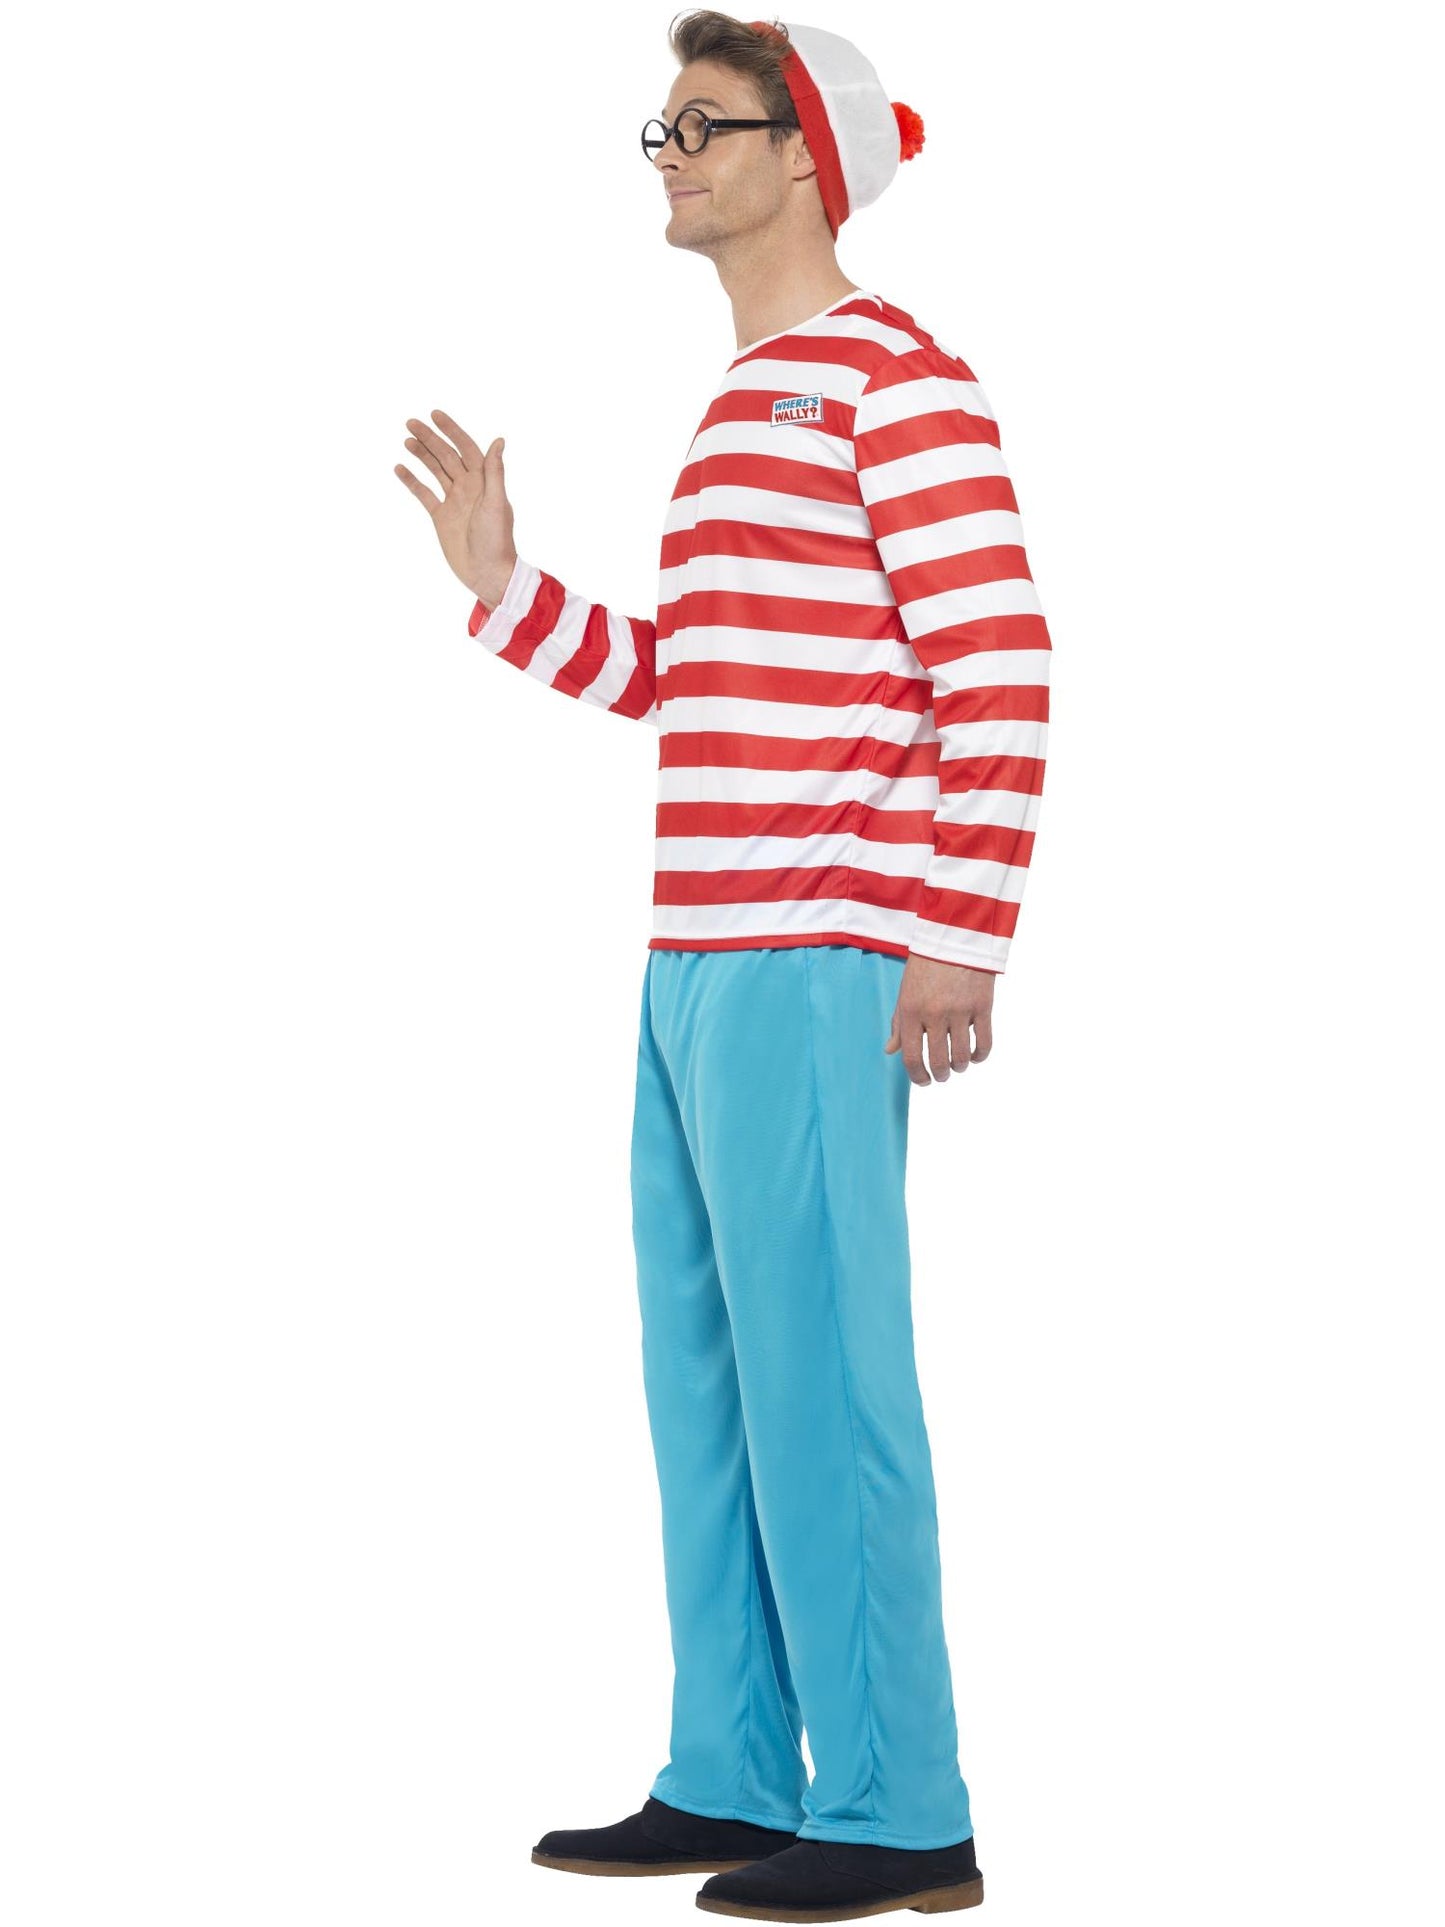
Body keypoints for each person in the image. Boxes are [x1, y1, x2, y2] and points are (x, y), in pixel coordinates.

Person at [395, 13, 1051, 1920]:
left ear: (801, 154)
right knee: (705, 1381)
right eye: (660, 127)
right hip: (690, 954)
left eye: (701, 124)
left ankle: (904, 1805)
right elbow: (690, 684)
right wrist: (504, 591)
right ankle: (736, 1767)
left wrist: (956, 937)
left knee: (825, 1378)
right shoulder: (741, 404)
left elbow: (999, 664)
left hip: (822, 952)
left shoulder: (896, 382)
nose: (668, 154)